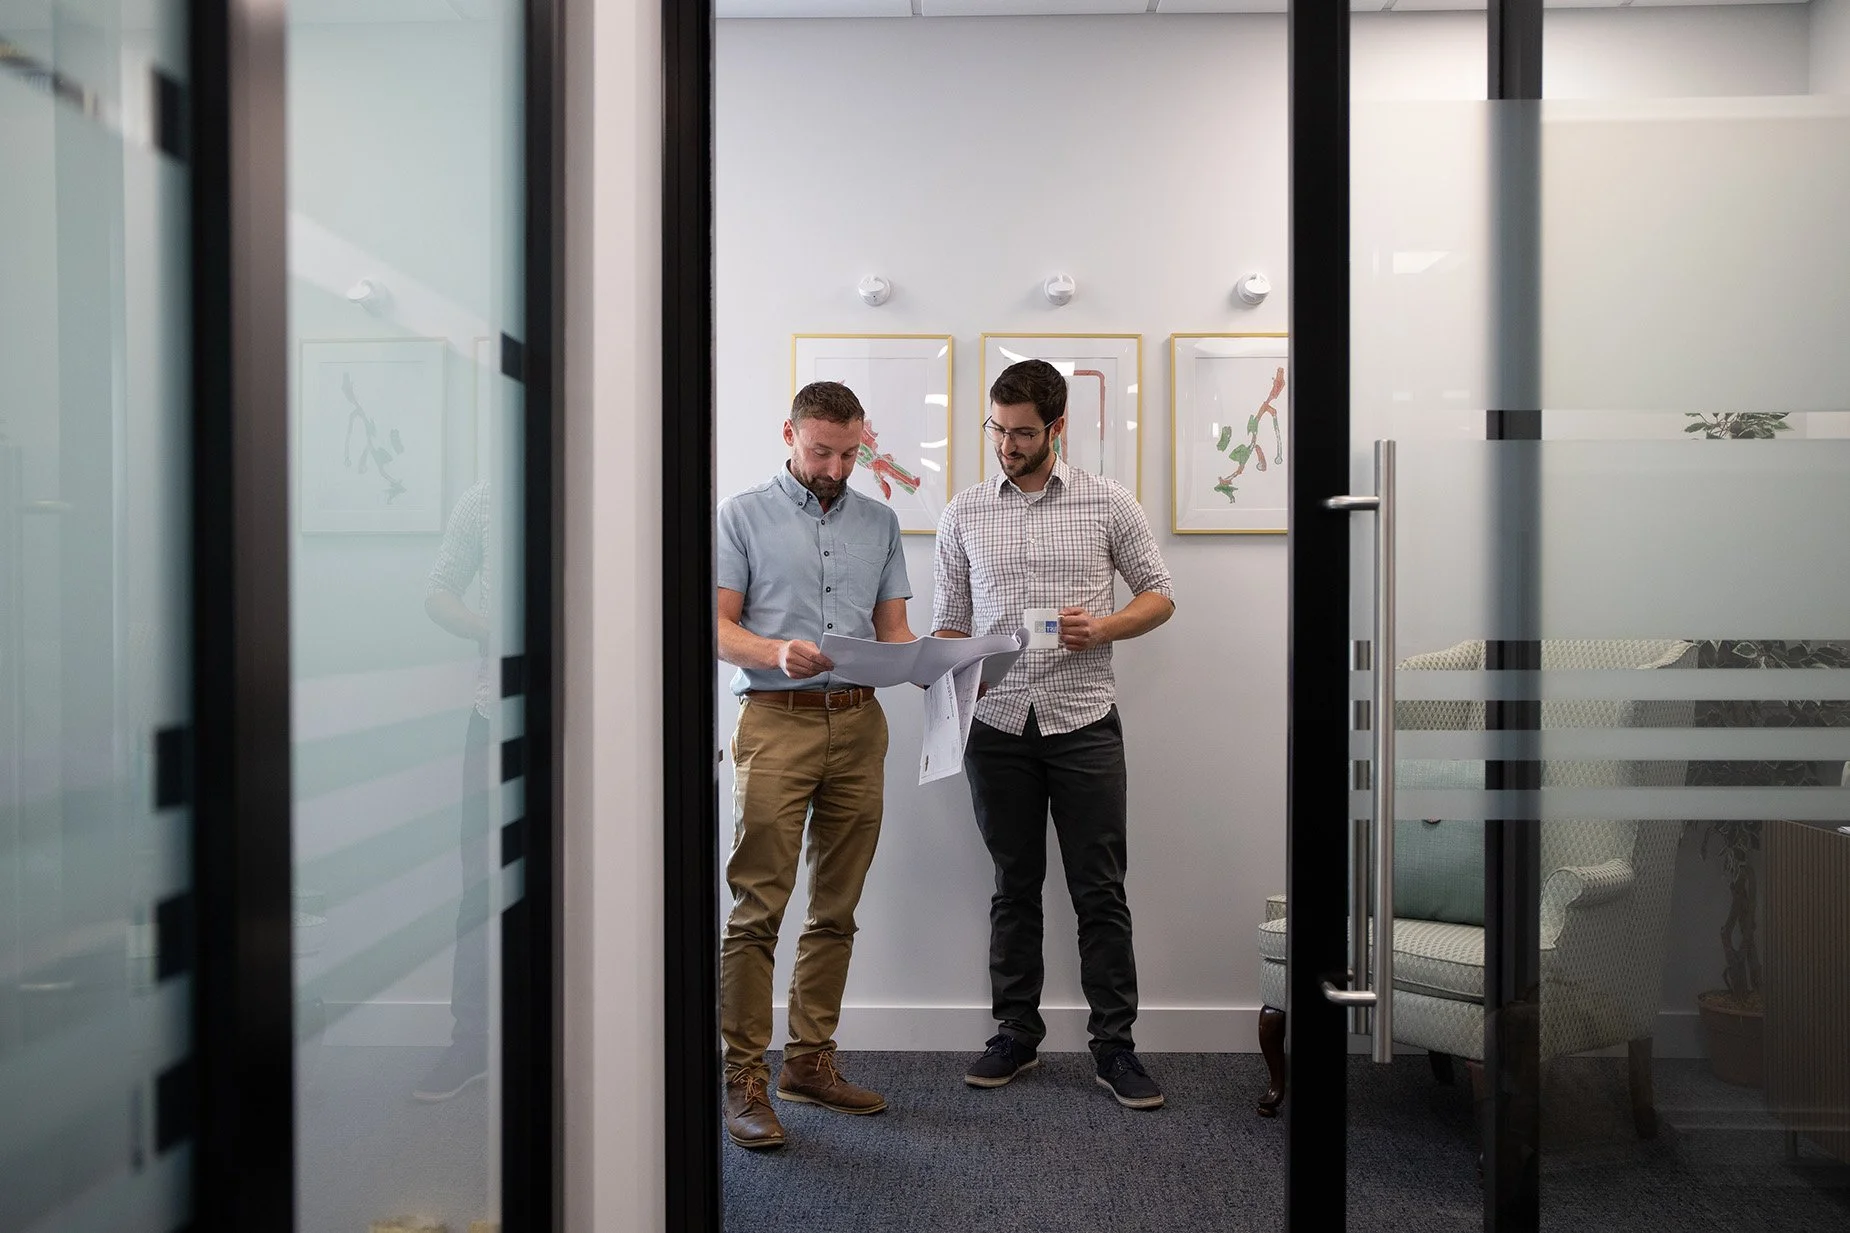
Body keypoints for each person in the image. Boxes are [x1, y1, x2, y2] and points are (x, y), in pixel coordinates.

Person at [932, 359, 1176, 1110]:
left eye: (1023, 433)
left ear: (1056, 429)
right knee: (1015, 886)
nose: (1007, 444)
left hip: (1083, 723)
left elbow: (1160, 596)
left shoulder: (1109, 503)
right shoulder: (962, 512)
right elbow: (950, 618)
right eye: (998, 430)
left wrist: (1101, 626)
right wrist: (945, 657)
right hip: (995, 725)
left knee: (1099, 888)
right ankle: (1016, 1034)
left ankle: (1116, 1047)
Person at [716, 380, 915, 1150]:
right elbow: (717, 624)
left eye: (849, 452)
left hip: (860, 726)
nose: (836, 467)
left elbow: (894, 631)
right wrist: (774, 651)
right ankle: (743, 1078)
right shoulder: (741, 514)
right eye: (821, 450)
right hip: (775, 721)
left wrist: (943, 662)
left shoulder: (881, 521)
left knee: (837, 907)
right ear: (789, 435)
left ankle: (809, 1061)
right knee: (757, 908)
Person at [416, 479, 494, 1102]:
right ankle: (471, 1042)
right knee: (481, 887)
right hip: (496, 718)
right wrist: (494, 630)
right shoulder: (482, 498)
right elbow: (437, 595)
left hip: (603, 729)